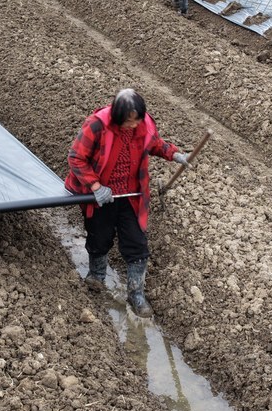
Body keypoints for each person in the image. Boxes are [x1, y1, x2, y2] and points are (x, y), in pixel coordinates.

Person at [65, 89, 190, 318]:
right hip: (102, 196)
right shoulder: (97, 125)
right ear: (116, 116)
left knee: (137, 244)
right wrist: (96, 186)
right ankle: (97, 277)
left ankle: (136, 294)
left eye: (136, 121)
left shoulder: (144, 125)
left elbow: (154, 144)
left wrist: (174, 154)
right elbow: (76, 157)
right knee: (99, 238)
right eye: (128, 122)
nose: (133, 126)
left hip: (132, 195)